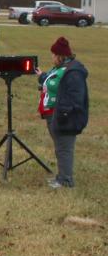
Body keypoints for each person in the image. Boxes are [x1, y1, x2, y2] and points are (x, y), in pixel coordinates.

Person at [38, 37, 88, 189]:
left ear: (60, 56)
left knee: (65, 148)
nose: (52, 57)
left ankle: (66, 181)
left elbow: (75, 96)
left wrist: (64, 113)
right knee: (59, 147)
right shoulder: (61, 69)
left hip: (66, 116)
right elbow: (55, 84)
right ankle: (61, 176)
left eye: (53, 55)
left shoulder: (73, 72)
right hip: (56, 114)